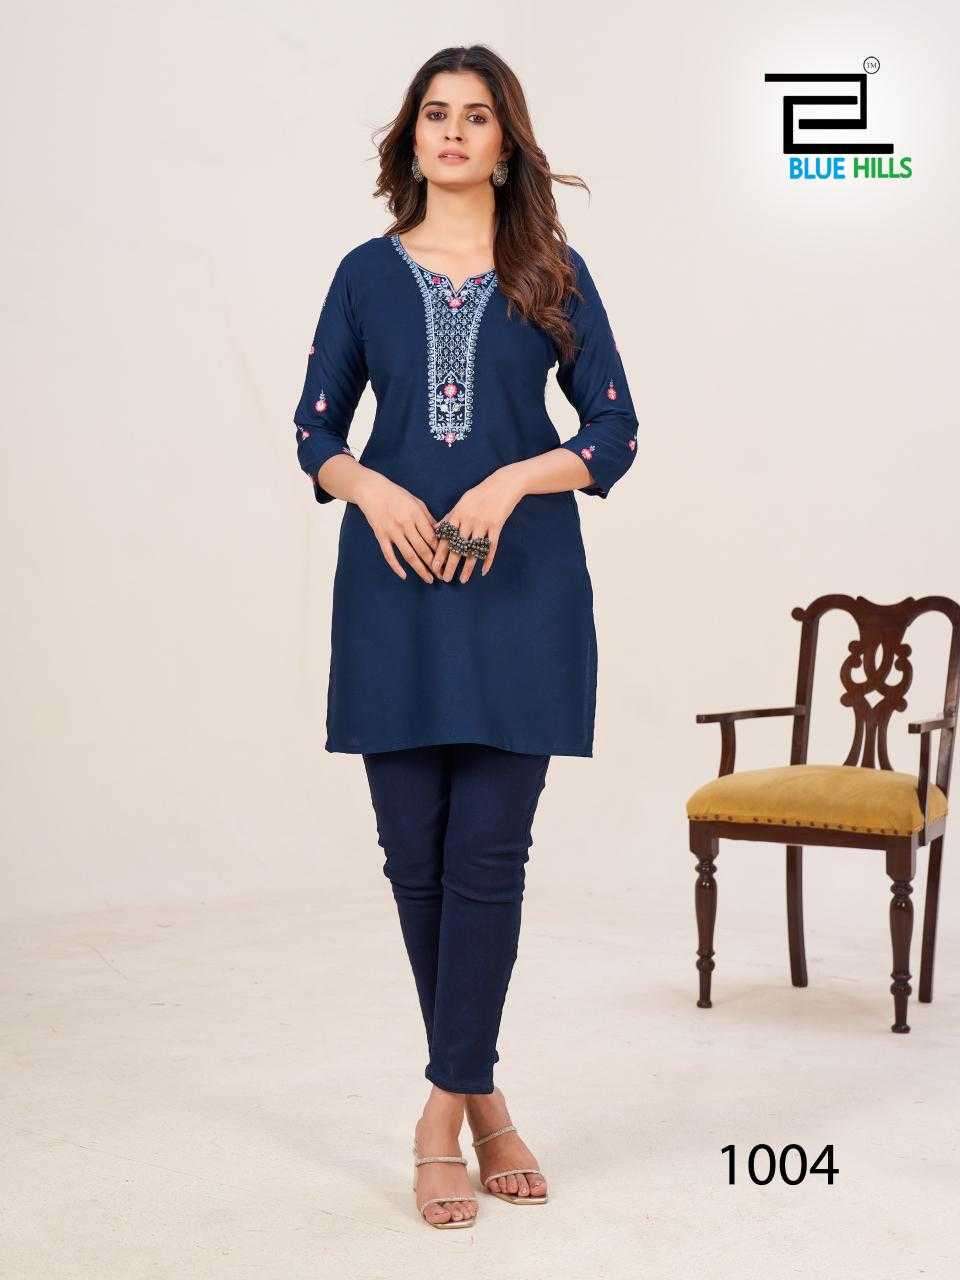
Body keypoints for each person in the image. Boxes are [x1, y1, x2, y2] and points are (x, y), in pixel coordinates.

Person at [291, 44, 639, 1229]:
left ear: (505, 142)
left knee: (488, 855)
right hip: (392, 591)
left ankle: (438, 1117)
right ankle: (485, 1096)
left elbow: (613, 429)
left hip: (520, 592)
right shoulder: (363, 274)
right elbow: (314, 429)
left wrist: (511, 480)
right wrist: (367, 485)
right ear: (413, 138)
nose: (452, 131)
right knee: (414, 857)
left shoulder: (552, 274)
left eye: (476, 115)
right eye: (435, 114)